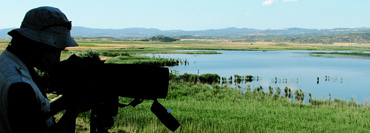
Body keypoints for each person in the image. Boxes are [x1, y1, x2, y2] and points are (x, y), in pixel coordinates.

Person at [0, 6, 87, 133]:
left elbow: (33, 114)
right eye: (57, 49)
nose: (58, 58)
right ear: (38, 45)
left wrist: (65, 102)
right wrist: (76, 109)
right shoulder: (20, 86)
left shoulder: (8, 63)